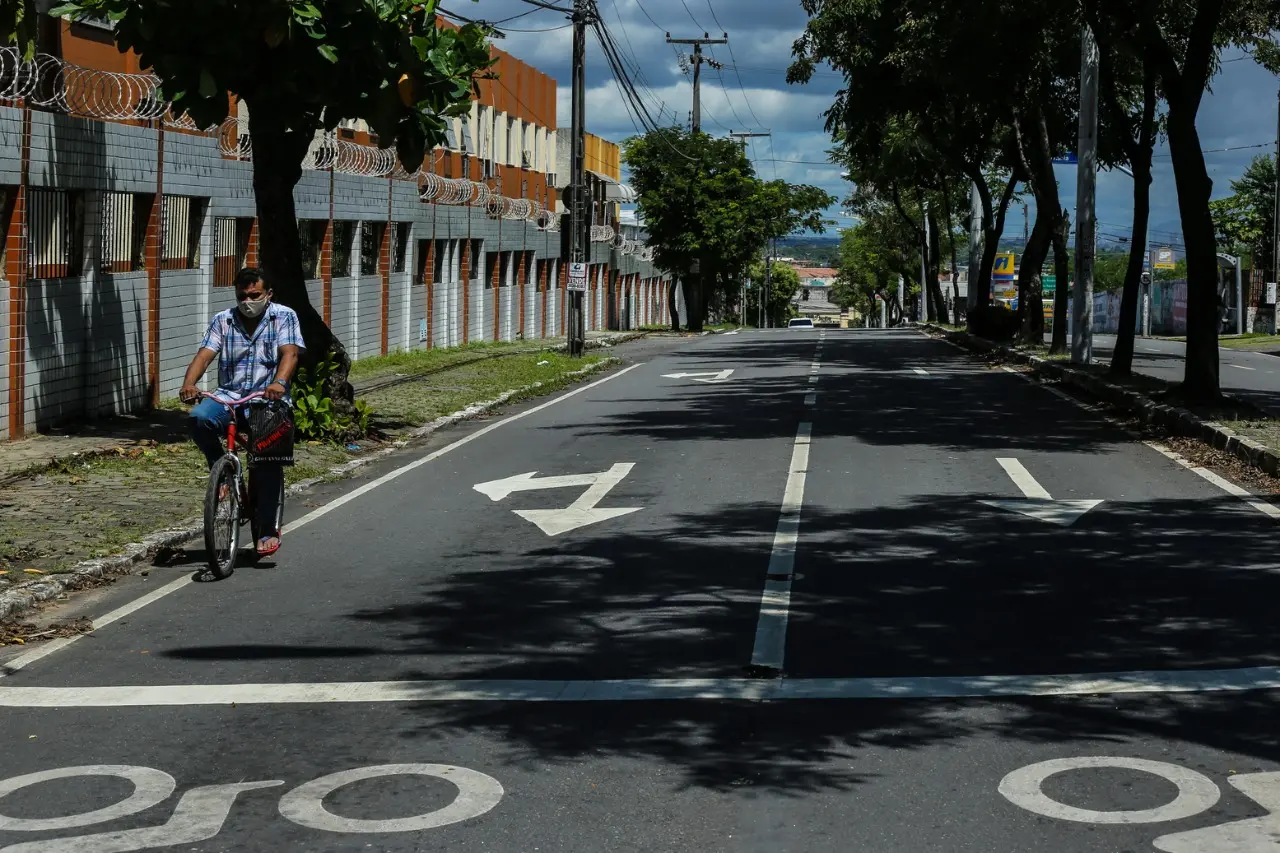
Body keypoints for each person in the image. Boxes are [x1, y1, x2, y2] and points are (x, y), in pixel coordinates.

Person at [180, 268, 305, 557]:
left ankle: (267, 529)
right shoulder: (223, 320)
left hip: (267, 399)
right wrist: (189, 384)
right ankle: (220, 470)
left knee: (267, 461)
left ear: (268, 294)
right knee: (199, 418)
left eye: (254, 295)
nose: (248, 301)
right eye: (242, 296)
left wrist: (279, 382)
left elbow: (290, 353)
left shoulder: (284, 316)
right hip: (229, 396)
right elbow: (204, 355)